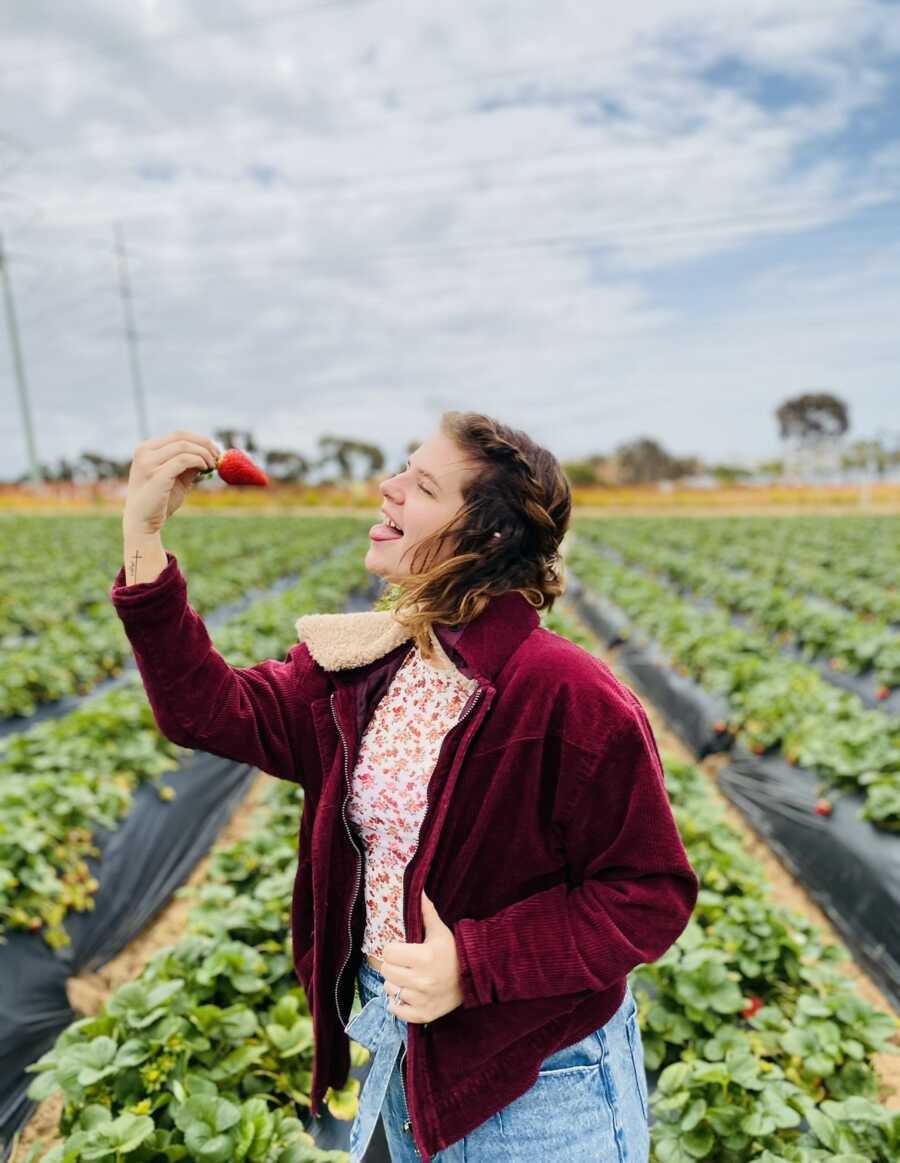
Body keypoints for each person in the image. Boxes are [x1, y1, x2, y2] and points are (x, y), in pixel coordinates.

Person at [110, 412, 699, 1162]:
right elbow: (207, 709)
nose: (386, 488)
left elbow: (649, 890)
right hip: (400, 1050)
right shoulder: (368, 666)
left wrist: (473, 963)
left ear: (484, 535)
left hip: (539, 1076)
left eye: (420, 484)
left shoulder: (567, 693)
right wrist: (143, 534)